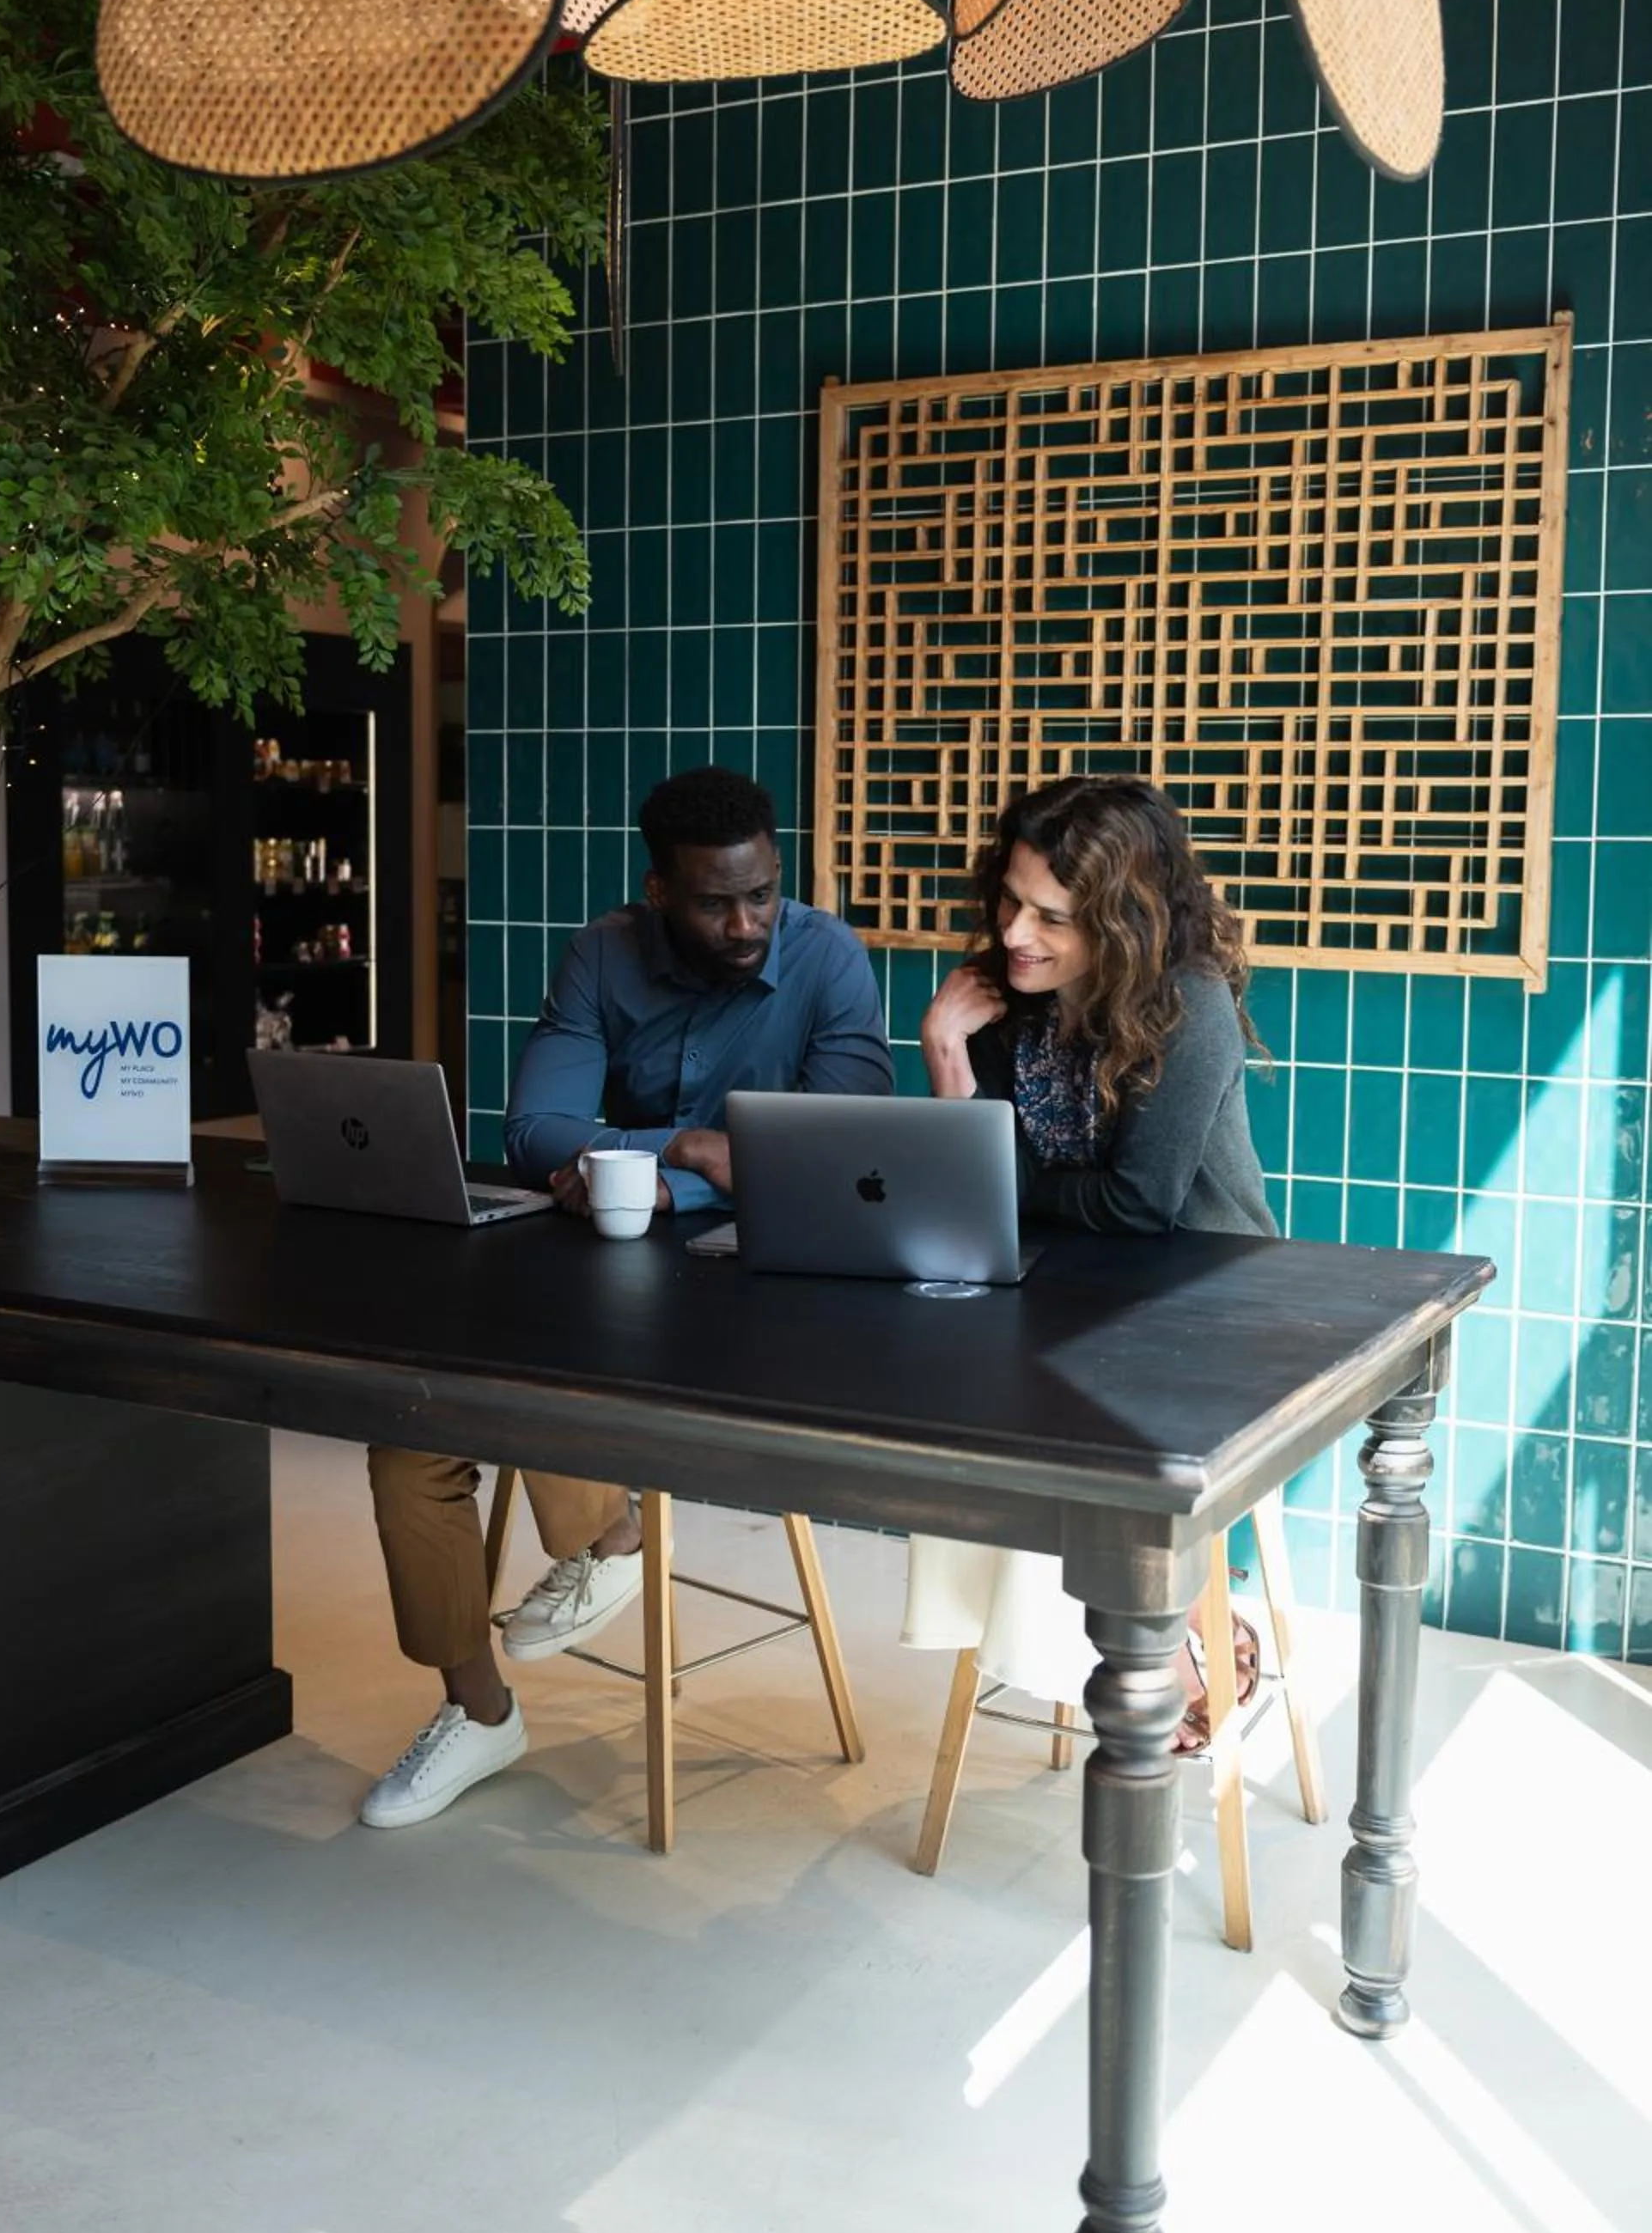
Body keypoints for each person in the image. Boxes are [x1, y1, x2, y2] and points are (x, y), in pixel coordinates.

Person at [361, 766, 894, 1827]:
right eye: (714, 901)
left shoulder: (826, 957)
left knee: (554, 1366)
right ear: (659, 890)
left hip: (763, 1286)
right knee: (408, 1432)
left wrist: (648, 1166)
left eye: (762, 893)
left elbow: (836, 1153)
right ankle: (481, 1708)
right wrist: (691, 1149)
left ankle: (613, 1536)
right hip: (620, 1263)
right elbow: (536, 1134)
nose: (747, 923)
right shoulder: (602, 952)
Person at [901, 774, 1277, 1748]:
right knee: (963, 1387)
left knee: (1054, 1413)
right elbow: (981, 1186)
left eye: (1052, 917)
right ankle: (1132, 1632)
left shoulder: (1187, 1005)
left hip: (1200, 1299)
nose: (1017, 932)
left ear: (1123, 922)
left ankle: (1164, 1629)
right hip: (1063, 1286)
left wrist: (1007, 1180)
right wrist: (945, 1056)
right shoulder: (994, 1001)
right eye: (1010, 898)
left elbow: (1137, 1205)